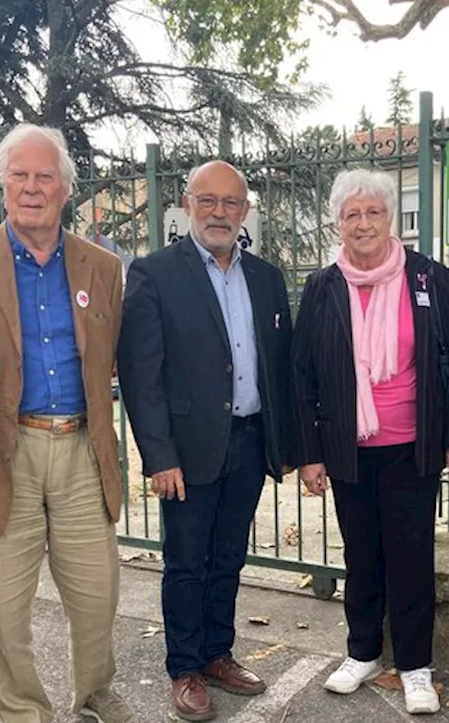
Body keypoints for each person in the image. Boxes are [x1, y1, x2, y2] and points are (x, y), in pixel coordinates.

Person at [0, 125, 131, 723]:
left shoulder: (102, 268)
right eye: (20, 175)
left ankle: (94, 697)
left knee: (97, 596)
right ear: (2, 185)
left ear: (65, 189)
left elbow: (124, 356)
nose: (32, 187)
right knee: (4, 605)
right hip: (5, 451)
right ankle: (24, 712)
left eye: (45, 176)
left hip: (81, 446)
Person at [294, 169, 449, 715]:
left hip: (413, 445)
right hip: (348, 448)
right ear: (338, 223)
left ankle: (416, 666)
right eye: (352, 214)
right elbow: (302, 374)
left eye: (373, 212)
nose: (363, 223)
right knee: (361, 556)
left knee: (410, 557)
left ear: (390, 217)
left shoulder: (427, 278)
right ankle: (363, 653)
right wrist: (309, 452)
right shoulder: (323, 286)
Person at [119, 160, 298, 722]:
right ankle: (185, 667)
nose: (220, 212)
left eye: (231, 203)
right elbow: (140, 374)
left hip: (248, 440)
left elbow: (280, 367)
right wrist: (159, 456)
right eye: (209, 201)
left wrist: (285, 445)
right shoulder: (154, 274)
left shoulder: (267, 278)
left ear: (245, 211)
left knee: (228, 557)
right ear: (187, 205)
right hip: (188, 449)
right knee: (186, 562)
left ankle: (218, 652)